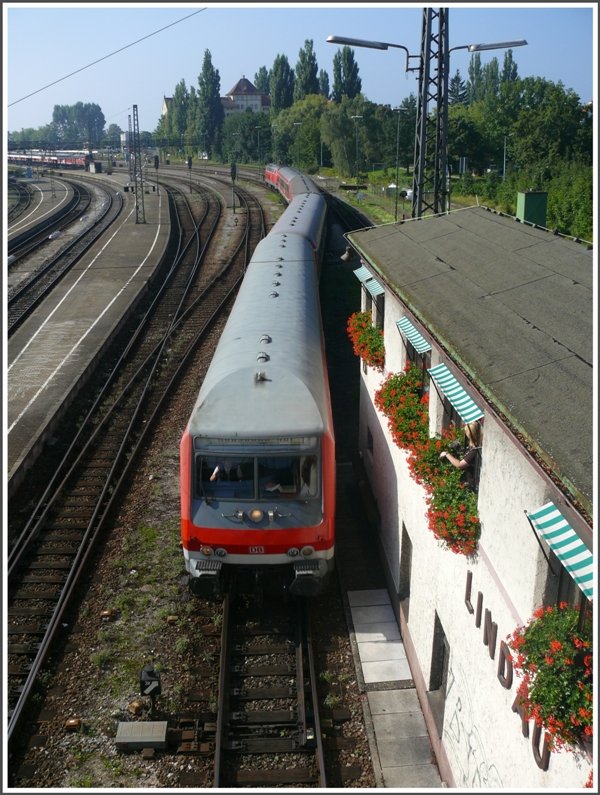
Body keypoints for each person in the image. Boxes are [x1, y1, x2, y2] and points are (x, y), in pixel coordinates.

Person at [439, 421, 482, 491]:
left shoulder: (475, 451)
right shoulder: (475, 445)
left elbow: (459, 465)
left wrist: (446, 454)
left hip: (472, 484)